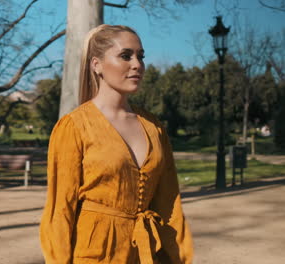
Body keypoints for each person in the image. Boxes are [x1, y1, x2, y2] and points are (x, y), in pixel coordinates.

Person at [39, 25, 193, 264]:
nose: (137, 64)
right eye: (125, 55)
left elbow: (170, 206)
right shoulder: (74, 126)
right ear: (96, 65)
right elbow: (59, 212)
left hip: (146, 255)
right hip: (94, 255)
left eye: (140, 56)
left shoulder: (154, 128)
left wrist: (179, 259)